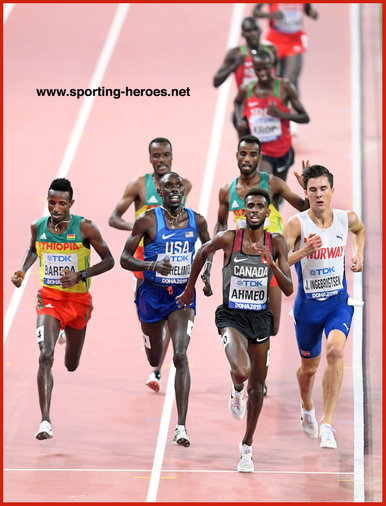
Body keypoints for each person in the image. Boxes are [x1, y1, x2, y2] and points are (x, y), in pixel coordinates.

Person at [176, 187, 293, 471]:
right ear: (243, 212)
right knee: (242, 371)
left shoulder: (276, 243)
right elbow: (203, 251)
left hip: (260, 318)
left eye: (259, 207)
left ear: (268, 212)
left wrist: (271, 263)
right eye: (249, 206)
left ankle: (247, 445)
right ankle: (235, 387)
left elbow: (288, 288)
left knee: (258, 388)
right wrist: (191, 287)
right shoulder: (230, 238)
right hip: (232, 316)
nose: (253, 210)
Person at [11, 178, 114, 440]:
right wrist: (23, 270)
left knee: (70, 364)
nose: (55, 208)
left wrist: (80, 275)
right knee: (45, 355)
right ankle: (45, 420)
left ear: (71, 203)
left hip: (78, 302)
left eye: (61, 203)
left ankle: (66, 333)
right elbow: (33, 249)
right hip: (49, 299)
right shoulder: (39, 226)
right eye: (51, 202)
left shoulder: (85, 228)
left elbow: (110, 261)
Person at [209, 134, 309, 396]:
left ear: (260, 157)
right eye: (243, 154)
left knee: (271, 328)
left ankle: (254, 372)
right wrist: (211, 261)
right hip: (241, 268)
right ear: (237, 156)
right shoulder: (226, 190)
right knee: (242, 318)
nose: (248, 159)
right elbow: (220, 226)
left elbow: (305, 207)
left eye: (253, 154)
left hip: (270, 266)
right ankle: (247, 378)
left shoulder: (272, 183)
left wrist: (307, 186)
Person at [120, 172, 211, 447]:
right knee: (154, 358)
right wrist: (151, 266)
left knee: (180, 355)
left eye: (178, 186)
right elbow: (124, 259)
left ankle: (181, 426)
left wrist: (205, 276)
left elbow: (207, 250)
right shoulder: (147, 220)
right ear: (159, 193)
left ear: (184, 191)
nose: (174, 190)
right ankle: (153, 355)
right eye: (168, 187)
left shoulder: (198, 220)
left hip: (182, 296)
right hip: (151, 296)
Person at [283, 164, 365, 449]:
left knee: (335, 351)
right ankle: (307, 406)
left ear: (332, 191)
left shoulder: (345, 219)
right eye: (313, 190)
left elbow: (360, 229)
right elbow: (277, 262)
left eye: (323, 189)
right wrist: (304, 251)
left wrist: (358, 255)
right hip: (307, 309)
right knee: (309, 369)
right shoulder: (296, 224)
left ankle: (327, 424)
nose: (319, 195)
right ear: (306, 193)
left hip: (337, 304)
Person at [109, 137, 192, 393]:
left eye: (165, 155)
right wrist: (141, 229)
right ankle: (154, 357)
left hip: (172, 260)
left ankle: (156, 370)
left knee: (172, 316)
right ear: (150, 158)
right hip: (143, 261)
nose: (161, 160)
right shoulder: (138, 185)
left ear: (172, 156)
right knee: (149, 316)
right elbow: (114, 218)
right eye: (156, 156)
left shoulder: (182, 184)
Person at [234, 48, 310, 181]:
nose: (262, 73)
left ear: (272, 67)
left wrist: (281, 114)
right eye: (258, 69)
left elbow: (304, 117)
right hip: (261, 150)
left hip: (282, 149)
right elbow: (238, 102)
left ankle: (276, 202)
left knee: (278, 194)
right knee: (266, 184)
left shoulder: (284, 87)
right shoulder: (247, 89)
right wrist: (240, 119)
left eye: (265, 68)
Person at [213, 16, 278, 132]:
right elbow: (216, 82)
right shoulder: (235, 54)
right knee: (248, 148)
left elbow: (279, 78)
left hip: (268, 108)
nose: (252, 33)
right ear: (243, 34)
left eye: (254, 29)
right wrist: (234, 65)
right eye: (248, 31)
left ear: (260, 30)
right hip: (245, 110)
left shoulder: (271, 51)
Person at [252, 3, 318, 94]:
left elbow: (307, 9)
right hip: (275, 40)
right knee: (276, 78)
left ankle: (294, 107)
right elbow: (255, 11)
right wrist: (271, 15)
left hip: (295, 41)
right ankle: (277, 104)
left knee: (292, 79)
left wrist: (312, 13)